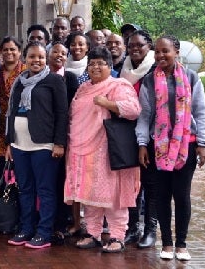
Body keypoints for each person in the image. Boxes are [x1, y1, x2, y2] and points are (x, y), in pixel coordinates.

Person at [136, 34, 205, 261]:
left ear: (177, 51)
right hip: (158, 147)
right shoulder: (149, 80)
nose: (160, 55)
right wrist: (142, 143)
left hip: (186, 145)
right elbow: (145, 115)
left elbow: (200, 111)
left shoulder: (190, 77)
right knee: (161, 195)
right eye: (156, 52)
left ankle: (182, 244)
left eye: (165, 51)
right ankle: (166, 243)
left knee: (182, 196)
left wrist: (203, 143)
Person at [65, 47, 142, 254]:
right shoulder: (83, 89)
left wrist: (108, 103)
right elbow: (73, 116)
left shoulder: (118, 85)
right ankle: (93, 233)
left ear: (110, 66)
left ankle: (117, 236)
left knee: (113, 196)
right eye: (92, 63)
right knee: (89, 195)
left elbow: (134, 110)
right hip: (81, 151)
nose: (95, 67)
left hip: (108, 152)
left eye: (101, 63)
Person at [5, 41, 67, 249]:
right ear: (25, 59)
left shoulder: (54, 81)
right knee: (25, 189)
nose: (36, 61)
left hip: (44, 144)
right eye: (32, 57)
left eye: (40, 57)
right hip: (19, 144)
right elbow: (11, 112)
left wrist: (59, 143)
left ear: (46, 58)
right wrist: (9, 141)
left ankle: (44, 232)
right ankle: (26, 228)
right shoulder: (19, 82)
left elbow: (62, 114)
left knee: (45, 190)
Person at [118, 29, 157, 247]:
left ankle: (150, 230)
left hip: (150, 135)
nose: (134, 49)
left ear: (148, 46)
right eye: (130, 45)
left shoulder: (154, 69)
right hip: (126, 133)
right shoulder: (123, 69)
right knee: (131, 184)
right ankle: (132, 227)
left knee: (150, 184)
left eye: (139, 45)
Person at [46, 41, 79, 237]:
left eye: (63, 53)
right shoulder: (40, 77)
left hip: (63, 137)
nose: (59, 55)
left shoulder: (70, 78)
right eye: (55, 51)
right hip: (42, 136)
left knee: (61, 180)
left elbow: (70, 109)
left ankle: (60, 223)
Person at [0, 37, 25, 167]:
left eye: (12, 49)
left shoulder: (26, 71)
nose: (9, 52)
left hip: (18, 126)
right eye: (5, 49)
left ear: (20, 52)